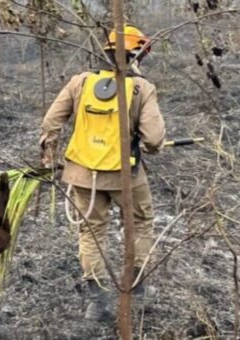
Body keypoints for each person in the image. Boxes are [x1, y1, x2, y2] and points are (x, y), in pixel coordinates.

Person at [40, 24, 165, 322]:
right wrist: (148, 148)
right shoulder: (141, 88)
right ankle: (138, 291)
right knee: (140, 224)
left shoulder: (80, 82)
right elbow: (154, 139)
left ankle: (97, 302)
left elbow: (50, 123)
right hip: (126, 176)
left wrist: (50, 158)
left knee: (91, 233)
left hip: (82, 176)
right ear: (137, 55)